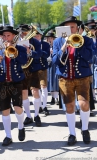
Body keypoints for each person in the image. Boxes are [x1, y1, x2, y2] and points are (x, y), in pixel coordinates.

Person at [52, 16, 92, 146]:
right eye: (67, 27)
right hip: (65, 78)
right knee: (69, 106)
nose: (70, 29)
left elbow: (90, 57)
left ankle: (85, 130)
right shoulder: (58, 42)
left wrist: (78, 45)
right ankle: (72, 133)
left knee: (84, 104)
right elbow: (54, 62)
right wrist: (64, 46)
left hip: (82, 77)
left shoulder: (86, 40)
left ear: (78, 28)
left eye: (73, 27)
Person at [0, 26, 27, 146]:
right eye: (4, 36)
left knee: (17, 107)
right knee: (5, 110)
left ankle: (21, 125)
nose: (6, 38)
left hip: (16, 82)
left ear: (13, 36)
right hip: (2, 83)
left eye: (8, 35)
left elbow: (24, 61)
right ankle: (8, 135)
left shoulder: (20, 48)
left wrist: (14, 50)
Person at [18, 24, 44, 127]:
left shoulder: (35, 42)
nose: (24, 35)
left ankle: (37, 115)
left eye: (25, 32)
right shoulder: (16, 42)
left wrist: (30, 52)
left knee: (35, 91)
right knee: (24, 93)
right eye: (22, 33)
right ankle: (28, 116)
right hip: (22, 70)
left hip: (33, 69)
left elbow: (39, 54)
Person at [34, 29, 51, 115]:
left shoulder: (45, 44)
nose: (36, 37)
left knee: (43, 87)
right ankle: (39, 105)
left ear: (40, 35)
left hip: (42, 67)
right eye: (35, 35)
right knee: (36, 89)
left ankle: (44, 106)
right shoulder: (31, 44)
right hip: (33, 68)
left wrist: (38, 52)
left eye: (38, 35)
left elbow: (47, 54)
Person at [45, 31, 59, 105]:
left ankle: (56, 98)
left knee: (55, 81)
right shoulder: (46, 46)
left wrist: (54, 52)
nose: (50, 40)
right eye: (48, 38)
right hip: (49, 64)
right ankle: (53, 97)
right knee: (50, 81)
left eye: (51, 38)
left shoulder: (56, 45)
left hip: (55, 64)